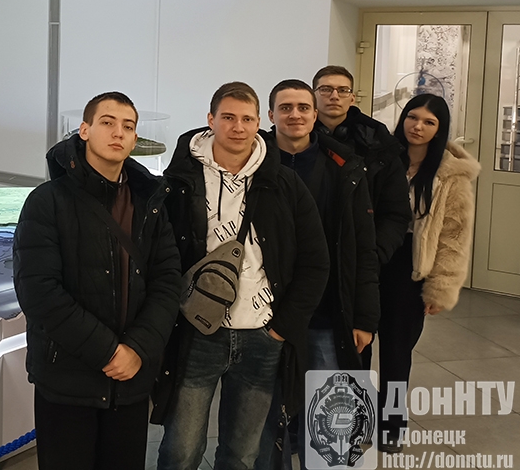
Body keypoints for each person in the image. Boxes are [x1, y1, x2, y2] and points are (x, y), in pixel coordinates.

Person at [153, 82, 329, 470]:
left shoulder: (285, 183)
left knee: (243, 454)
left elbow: (316, 261)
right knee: (181, 450)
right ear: (210, 119)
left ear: (259, 122)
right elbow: (160, 259)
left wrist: (282, 328)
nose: (238, 127)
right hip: (198, 333)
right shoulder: (179, 182)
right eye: (228, 117)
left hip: (262, 335)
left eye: (247, 119)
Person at [13, 91, 183, 470]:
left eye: (128, 126)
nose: (118, 132)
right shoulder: (47, 201)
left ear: (135, 140)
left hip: (130, 381)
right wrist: (109, 352)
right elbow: (39, 291)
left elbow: (168, 281)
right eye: (107, 122)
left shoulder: (150, 204)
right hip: (67, 381)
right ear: (85, 130)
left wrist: (137, 348)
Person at [255, 80, 380, 470]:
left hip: (327, 314)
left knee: (330, 420)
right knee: (264, 418)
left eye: (303, 108)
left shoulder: (343, 167)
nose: (295, 115)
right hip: (265, 314)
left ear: (315, 115)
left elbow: (362, 247)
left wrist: (365, 317)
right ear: (270, 115)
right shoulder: (252, 163)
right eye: (285, 108)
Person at [377, 93, 480, 452]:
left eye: (428, 122)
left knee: (396, 350)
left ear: (439, 129)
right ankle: (353, 417)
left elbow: (455, 234)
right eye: (412, 117)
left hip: (412, 266)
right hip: (374, 258)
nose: (417, 126)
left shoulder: (450, 174)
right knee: (356, 345)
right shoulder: (382, 158)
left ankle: (391, 425)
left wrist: (441, 288)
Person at [312, 66, 412, 369]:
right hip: (306, 265)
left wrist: (371, 253)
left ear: (352, 97)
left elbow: (396, 213)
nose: (334, 96)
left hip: (357, 267)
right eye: (326, 89)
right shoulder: (293, 137)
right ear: (314, 95)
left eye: (342, 90)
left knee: (347, 365)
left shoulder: (378, 144)